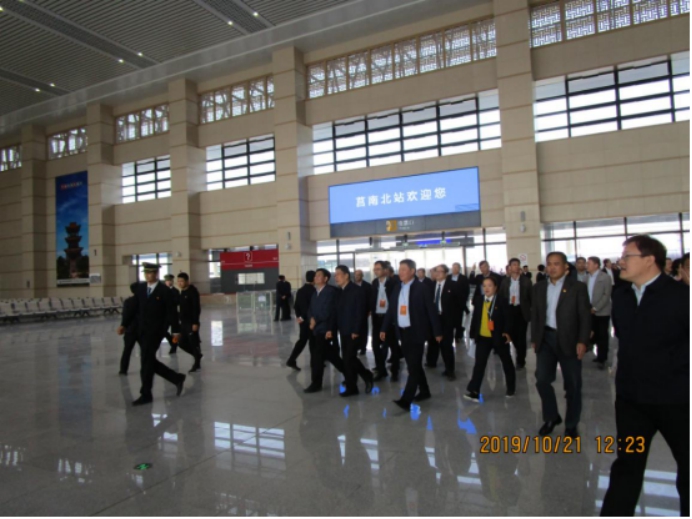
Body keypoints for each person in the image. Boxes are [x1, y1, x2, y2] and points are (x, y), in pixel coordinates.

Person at [601, 236, 689, 517]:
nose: (621, 262)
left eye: (627, 256)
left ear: (650, 260)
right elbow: (624, 339)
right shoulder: (621, 295)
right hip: (632, 402)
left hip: (677, 401)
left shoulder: (681, 296)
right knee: (627, 465)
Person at [531, 252, 591, 438]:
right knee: (542, 380)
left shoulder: (577, 287)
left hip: (570, 340)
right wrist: (535, 338)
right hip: (546, 339)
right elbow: (536, 315)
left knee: (573, 385)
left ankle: (571, 424)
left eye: (556, 264)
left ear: (566, 267)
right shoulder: (539, 287)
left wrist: (583, 341)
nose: (552, 267)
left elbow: (585, 316)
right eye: (549, 264)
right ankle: (551, 417)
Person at [117, 263, 185, 406]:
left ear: (156, 274)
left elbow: (172, 313)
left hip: (156, 332)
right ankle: (176, 378)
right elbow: (134, 308)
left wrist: (176, 331)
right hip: (141, 330)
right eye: (146, 273)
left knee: (146, 361)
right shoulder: (141, 289)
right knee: (148, 361)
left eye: (151, 273)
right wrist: (124, 324)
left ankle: (146, 394)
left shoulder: (164, 291)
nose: (148, 276)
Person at [381, 259, 442, 412]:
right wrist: (384, 328)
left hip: (417, 331)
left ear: (412, 271)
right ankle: (425, 391)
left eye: (404, 269)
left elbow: (431, 310)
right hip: (402, 332)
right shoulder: (397, 287)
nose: (400, 272)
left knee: (413, 368)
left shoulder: (422, 288)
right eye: (399, 269)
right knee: (413, 364)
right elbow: (391, 309)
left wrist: (437, 331)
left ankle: (406, 400)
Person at [465, 276, 515, 401]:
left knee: (506, 362)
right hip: (483, 338)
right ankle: (474, 390)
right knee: (479, 364)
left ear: (495, 288)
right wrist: (473, 334)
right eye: (484, 286)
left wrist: (507, 332)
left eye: (489, 285)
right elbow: (475, 318)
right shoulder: (479, 300)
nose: (486, 288)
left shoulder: (502, 301)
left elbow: (509, 318)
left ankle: (511, 387)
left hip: (499, 337)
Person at [334, 266, 374, 397]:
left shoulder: (357, 290)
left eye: (338, 274)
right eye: (335, 275)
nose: (336, 277)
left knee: (349, 357)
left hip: (354, 331)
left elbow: (360, 312)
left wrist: (356, 330)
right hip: (344, 330)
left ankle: (366, 376)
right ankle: (352, 386)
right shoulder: (341, 291)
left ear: (346, 275)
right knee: (348, 359)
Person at [305, 269, 345, 393]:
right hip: (316, 329)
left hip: (325, 328)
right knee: (330, 354)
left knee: (317, 356)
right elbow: (310, 309)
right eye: (315, 276)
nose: (316, 277)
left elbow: (328, 311)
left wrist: (315, 320)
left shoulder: (330, 292)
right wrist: (311, 319)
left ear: (326, 278)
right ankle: (349, 372)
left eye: (319, 276)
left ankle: (316, 383)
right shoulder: (315, 293)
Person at [428, 264, 463, 381]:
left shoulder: (452, 286)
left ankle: (450, 370)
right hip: (434, 319)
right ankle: (432, 362)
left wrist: (455, 322)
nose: (437, 273)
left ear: (446, 274)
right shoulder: (431, 285)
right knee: (434, 342)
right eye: (436, 271)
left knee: (446, 345)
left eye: (440, 271)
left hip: (447, 319)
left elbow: (459, 304)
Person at [499, 258, 533, 370]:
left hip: (521, 310)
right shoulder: (505, 281)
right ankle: (519, 350)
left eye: (518, 264)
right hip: (509, 310)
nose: (516, 266)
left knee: (521, 336)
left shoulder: (526, 281)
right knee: (512, 334)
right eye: (514, 264)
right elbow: (502, 296)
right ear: (509, 267)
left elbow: (531, 297)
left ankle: (520, 360)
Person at [371, 261, 399, 382]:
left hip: (389, 318)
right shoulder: (374, 283)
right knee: (375, 345)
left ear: (385, 270)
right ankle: (381, 370)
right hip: (377, 317)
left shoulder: (393, 283)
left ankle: (395, 371)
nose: (375, 271)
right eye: (375, 269)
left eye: (378, 269)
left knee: (393, 345)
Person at [585, 257, 611, 370]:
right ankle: (592, 350)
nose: (587, 265)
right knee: (592, 333)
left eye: (589, 263)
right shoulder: (586, 277)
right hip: (589, 310)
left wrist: (596, 308)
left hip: (602, 312)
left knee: (602, 335)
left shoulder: (605, 277)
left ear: (596, 265)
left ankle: (602, 358)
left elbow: (606, 295)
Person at [287, 270, 316, 371]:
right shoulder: (313, 291)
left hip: (302, 321)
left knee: (303, 340)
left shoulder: (300, 290)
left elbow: (296, 306)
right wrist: (303, 317)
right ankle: (314, 363)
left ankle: (292, 360)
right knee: (312, 341)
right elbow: (310, 308)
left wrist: (299, 317)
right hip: (310, 320)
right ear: (314, 278)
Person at [176, 272, 203, 373]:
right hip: (183, 322)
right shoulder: (182, 292)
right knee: (181, 343)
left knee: (193, 343)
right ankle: (197, 356)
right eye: (178, 281)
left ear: (187, 281)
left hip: (191, 322)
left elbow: (196, 308)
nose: (180, 283)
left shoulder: (193, 292)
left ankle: (196, 363)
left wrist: (195, 322)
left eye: (182, 281)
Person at [119, 282, 141, 375]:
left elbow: (125, 315)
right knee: (146, 351)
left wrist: (123, 326)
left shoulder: (128, 301)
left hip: (130, 329)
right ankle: (147, 367)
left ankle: (123, 369)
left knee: (127, 350)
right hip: (142, 330)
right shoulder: (145, 301)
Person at [448, 262, 471, 345]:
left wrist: (464, 300)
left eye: (456, 267)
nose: (454, 269)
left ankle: (458, 335)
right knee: (450, 319)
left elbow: (467, 289)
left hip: (459, 302)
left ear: (459, 268)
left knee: (458, 319)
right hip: (450, 302)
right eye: (453, 267)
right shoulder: (448, 277)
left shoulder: (463, 278)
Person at [354, 269, 372, 355]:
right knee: (356, 329)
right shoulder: (352, 286)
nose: (357, 277)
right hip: (355, 311)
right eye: (356, 275)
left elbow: (370, 299)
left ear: (362, 276)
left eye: (359, 275)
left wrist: (369, 310)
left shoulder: (367, 286)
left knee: (364, 329)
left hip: (364, 311)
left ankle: (363, 347)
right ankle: (356, 346)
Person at [163, 273, 180, 354]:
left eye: (170, 281)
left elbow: (177, 301)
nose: (169, 282)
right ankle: (172, 342)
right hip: (164, 315)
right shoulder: (162, 291)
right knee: (163, 331)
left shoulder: (175, 291)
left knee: (175, 333)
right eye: (167, 281)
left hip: (173, 315)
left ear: (172, 281)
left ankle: (174, 347)